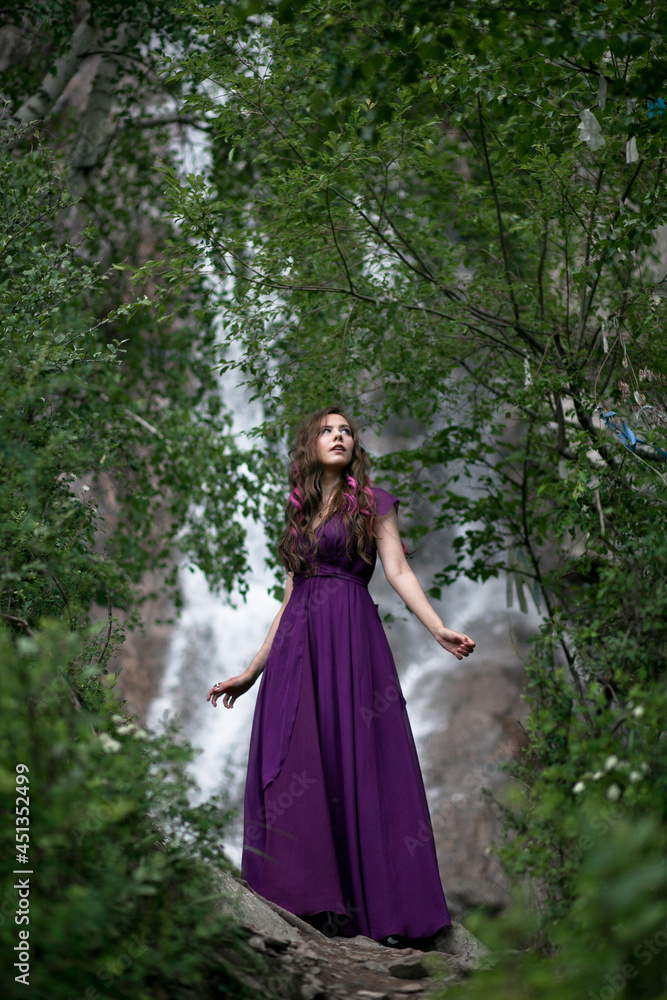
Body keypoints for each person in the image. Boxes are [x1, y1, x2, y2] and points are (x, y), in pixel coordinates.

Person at [207, 407, 475, 946]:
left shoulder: (372, 504)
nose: (338, 436)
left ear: (356, 447)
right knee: (297, 762)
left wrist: (438, 628)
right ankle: (305, 901)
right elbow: (288, 599)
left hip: (352, 640)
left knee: (361, 759)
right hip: (296, 648)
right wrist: (251, 672)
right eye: (328, 430)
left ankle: (382, 908)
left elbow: (397, 571)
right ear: (311, 445)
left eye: (346, 431)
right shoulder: (298, 511)